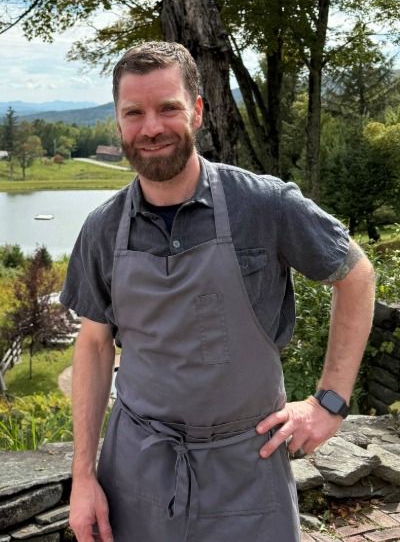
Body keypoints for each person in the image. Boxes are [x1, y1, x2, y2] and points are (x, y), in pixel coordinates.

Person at [60, 41, 375, 542]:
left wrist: (329, 402)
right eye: (134, 113)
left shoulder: (265, 206)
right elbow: (95, 345)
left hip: (249, 470)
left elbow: (355, 275)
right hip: (137, 473)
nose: (152, 127)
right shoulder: (103, 229)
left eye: (169, 108)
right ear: (118, 124)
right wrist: (83, 477)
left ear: (198, 111)